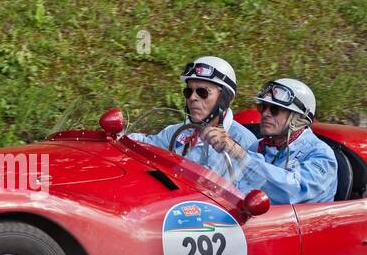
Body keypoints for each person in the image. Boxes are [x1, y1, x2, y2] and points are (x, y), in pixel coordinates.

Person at [203, 77, 337, 204]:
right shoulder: (259, 146)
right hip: (262, 221)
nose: (265, 114)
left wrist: (240, 154)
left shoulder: (322, 155)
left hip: (301, 225)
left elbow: (293, 191)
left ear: (298, 118)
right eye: (263, 107)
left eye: (275, 110)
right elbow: (237, 185)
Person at [128, 56, 258, 184]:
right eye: (188, 91)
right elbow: (149, 143)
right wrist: (119, 137)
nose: (192, 98)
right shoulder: (179, 131)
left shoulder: (243, 141)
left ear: (224, 98)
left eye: (202, 92)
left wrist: (235, 151)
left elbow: (251, 190)